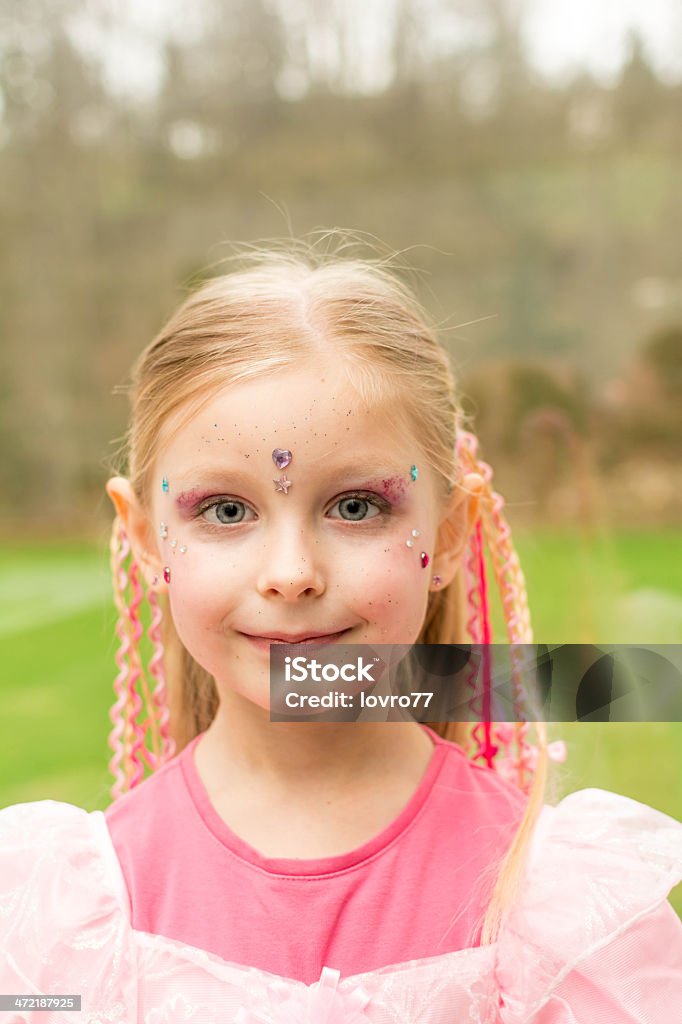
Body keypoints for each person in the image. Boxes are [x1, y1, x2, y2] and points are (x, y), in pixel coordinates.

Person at [1, 237, 681, 1023]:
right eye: (226, 510)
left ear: (451, 534)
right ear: (147, 536)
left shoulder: (555, 911)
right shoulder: (66, 924)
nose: (291, 572)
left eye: (356, 506)